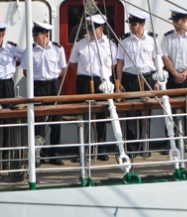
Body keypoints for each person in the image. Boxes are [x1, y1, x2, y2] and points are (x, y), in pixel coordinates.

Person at [69, 14, 117, 161]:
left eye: (93, 28)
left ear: (101, 28)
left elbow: (113, 65)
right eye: (88, 28)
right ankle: (85, 149)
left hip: (102, 80)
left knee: (102, 115)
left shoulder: (110, 44)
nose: (90, 31)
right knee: (84, 115)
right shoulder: (80, 43)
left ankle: (101, 148)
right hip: (84, 80)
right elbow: (73, 63)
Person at [21, 21, 67, 165]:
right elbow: (25, 71)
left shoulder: (58, 49)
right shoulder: (30, 50)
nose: (34, 37)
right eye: (33, 34)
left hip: (53, 85)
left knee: (56, 120)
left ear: (45, 34)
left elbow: (63, 69)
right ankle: (37, 154)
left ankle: (55, 154)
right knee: (38, 122)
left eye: (36, 34)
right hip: (38, 86)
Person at [116, 11, 160, 154]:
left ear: (142, 24)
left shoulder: (152, 39)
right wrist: (119, 83)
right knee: (131, 113)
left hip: (148, 78)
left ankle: (145, 147)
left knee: (146, 113)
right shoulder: (124, 40)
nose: (131, 27)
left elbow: (157, 61)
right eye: (130, 24)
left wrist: (158, 80)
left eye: (134, 24)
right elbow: (120, 63)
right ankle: (132, 149)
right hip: (130, 79)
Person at [161, 9, 187, 141]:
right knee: (170, 109)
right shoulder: (167, 37)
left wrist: (184, 73)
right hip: (172, 76)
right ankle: (170, 141)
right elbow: (165, 56)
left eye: (177, 20)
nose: (174, 23)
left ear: (184, 20)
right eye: (173, 21)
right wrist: (175, 73)